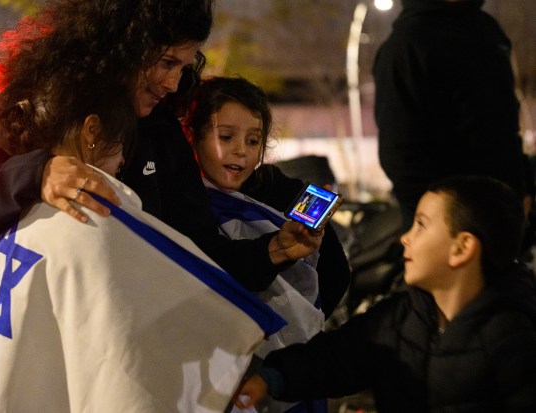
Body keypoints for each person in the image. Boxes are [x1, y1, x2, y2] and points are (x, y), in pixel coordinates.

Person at [0, 1, 286, 412]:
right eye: (167, 61)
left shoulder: (161, 124)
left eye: (184, 66)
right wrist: (38, 172)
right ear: (123, 42)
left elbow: (195, 247)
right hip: (36, 339)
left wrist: (271, 252)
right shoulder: (39, 97)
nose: (172, 82)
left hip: (131, 354)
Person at [234, 175, 536, 412]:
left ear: (461, 248)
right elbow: (337, 356)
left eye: (421, 225)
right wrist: (269, 378)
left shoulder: (515, 338)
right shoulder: (400, 318)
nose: (405, 238)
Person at [183, 76, 351, 413]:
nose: (240, 151)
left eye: (253, 140)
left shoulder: (284, 193)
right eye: (225, 137)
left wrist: (298, 324)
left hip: (285, 363)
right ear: (194, 136)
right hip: (215, 364)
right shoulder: (182, 202)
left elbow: (336, 273)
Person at [373, 0, 526, 232]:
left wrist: (521, 186)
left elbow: (504, 121)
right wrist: (438, 220)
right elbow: (400, 151)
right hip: (448, 223)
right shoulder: (408, 43)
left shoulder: (486, 29)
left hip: (502, 211)